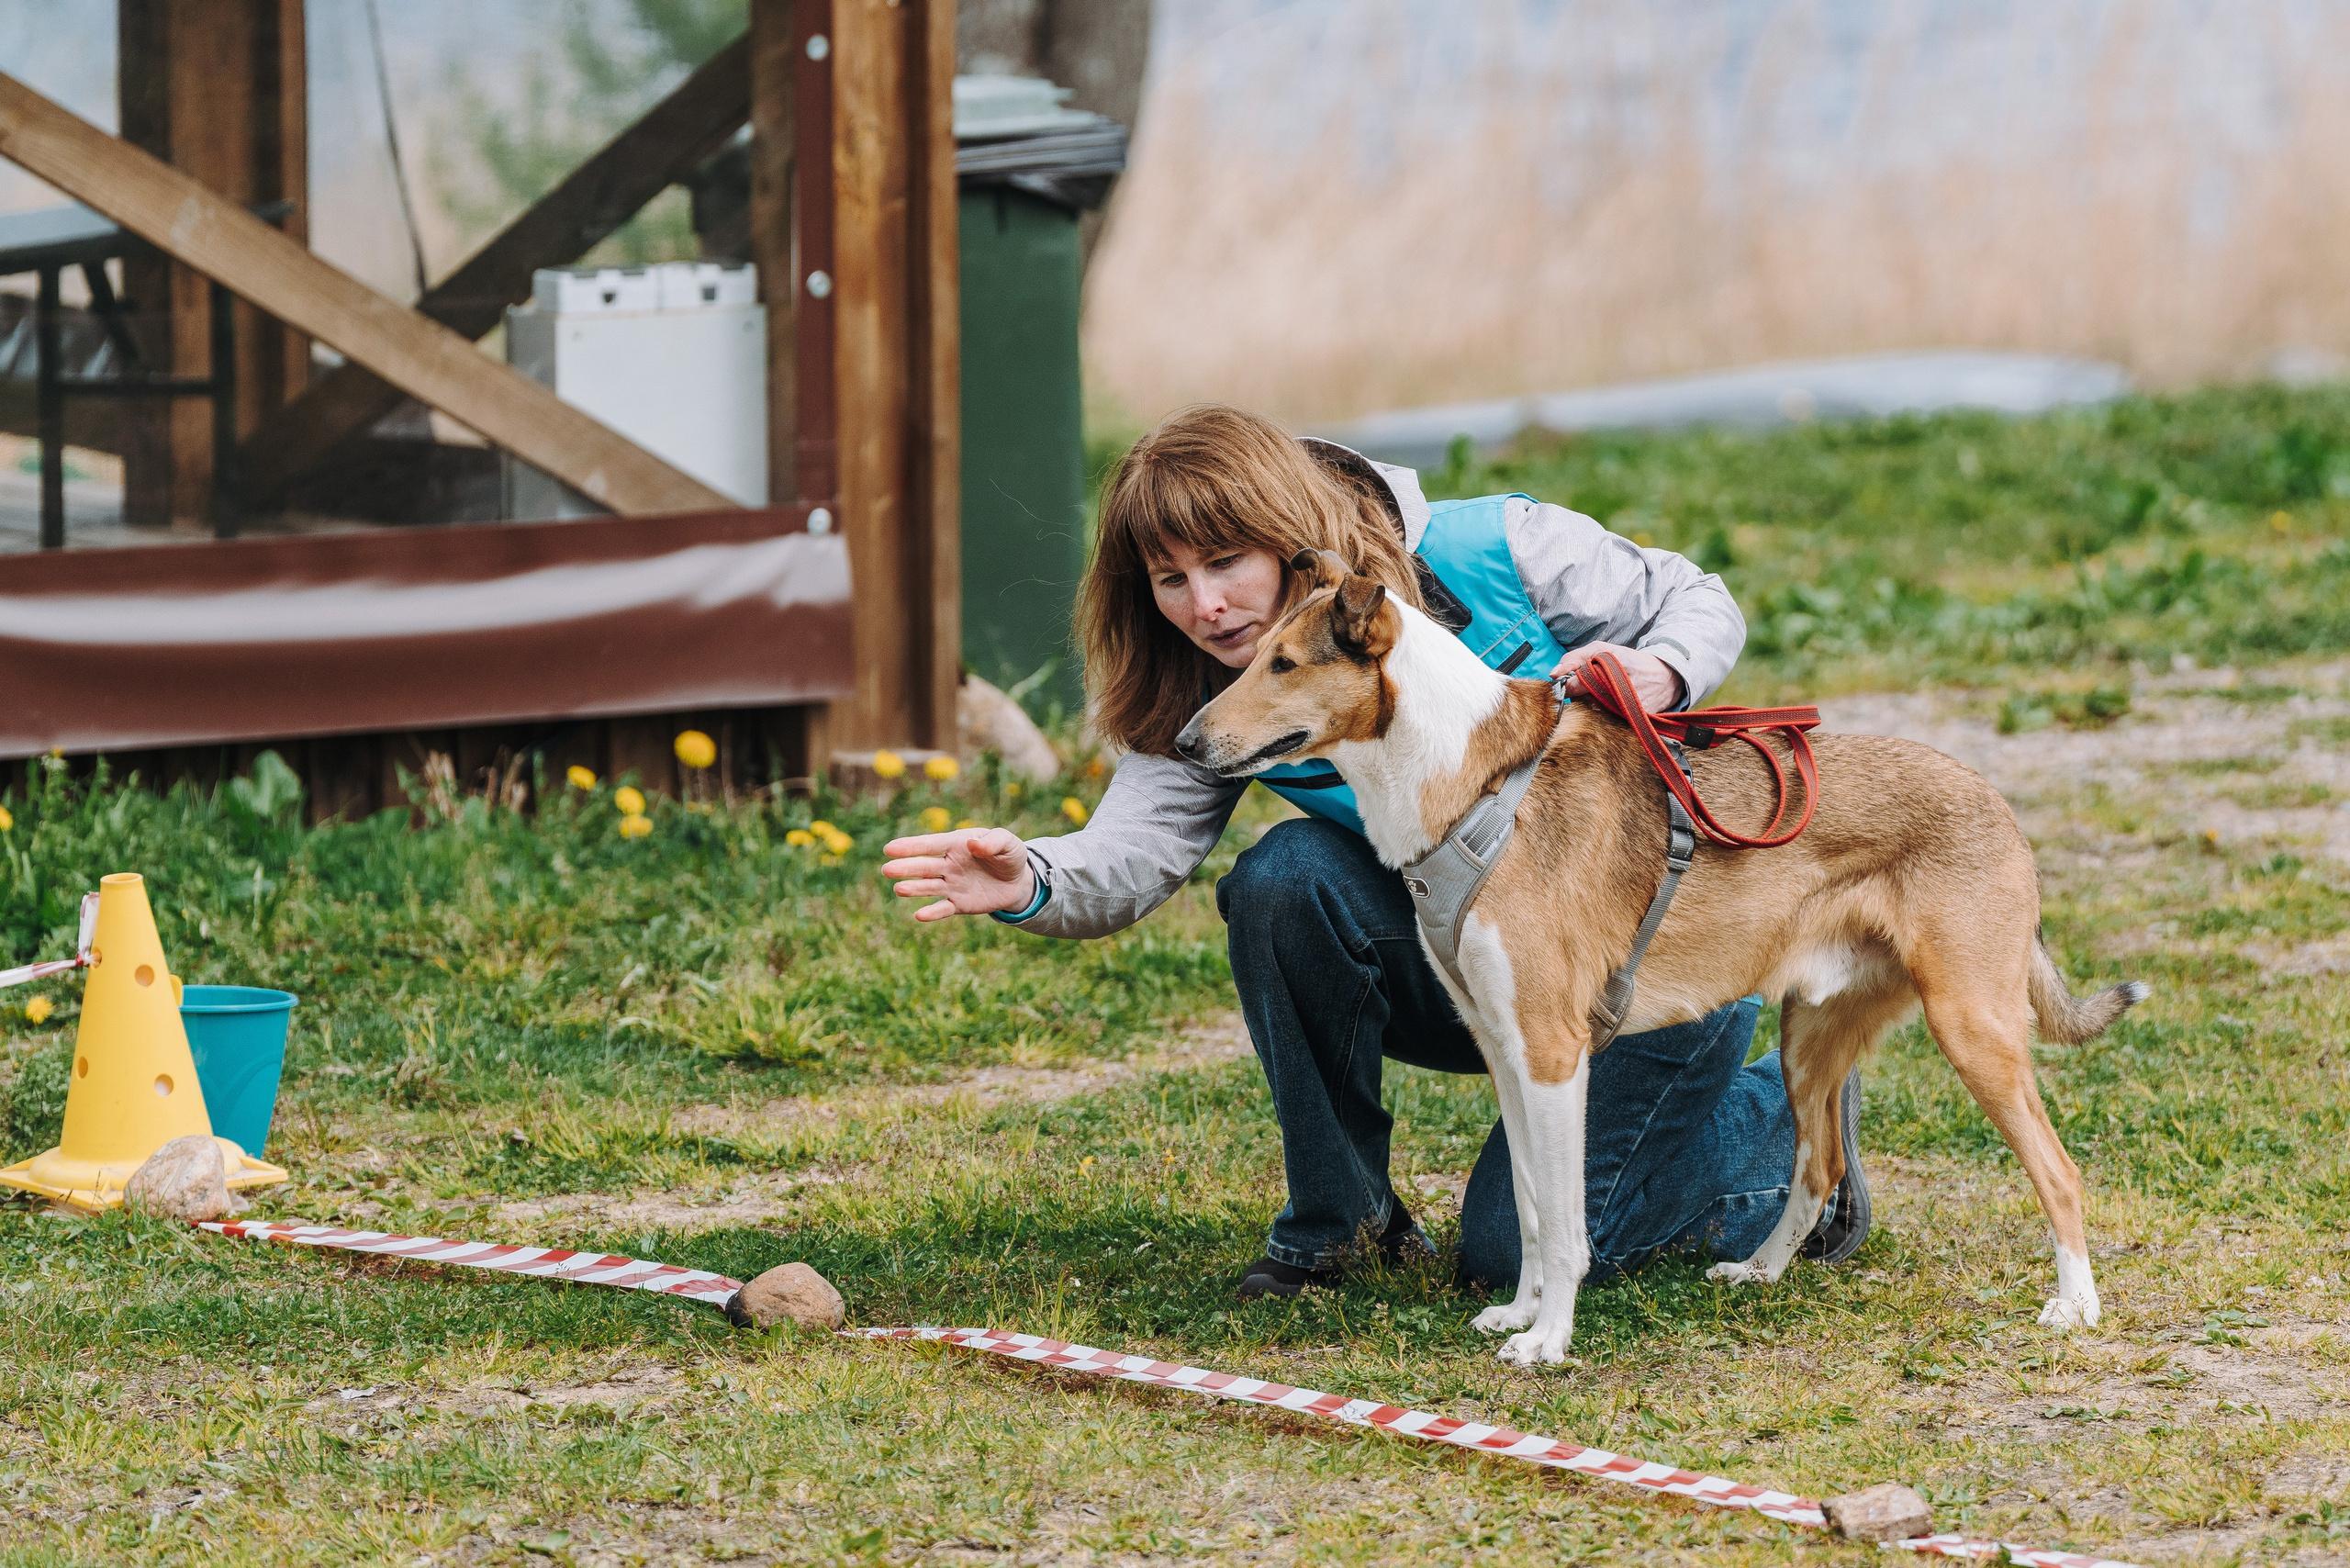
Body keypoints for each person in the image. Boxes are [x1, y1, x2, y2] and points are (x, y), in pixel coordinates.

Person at [881, 404, 1868, 1300]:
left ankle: (1787, 1131)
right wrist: (1030, 878)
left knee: (1501, 1259)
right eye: (1169, 579)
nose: (1204, 605)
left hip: (1648, 961)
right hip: (1466, 957)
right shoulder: (1211, 690)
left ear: (1289, 539)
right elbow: (1129, 857)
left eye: (1225, 563)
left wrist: (1659, 666)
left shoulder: (1493, 546)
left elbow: (1694, 597)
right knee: (1281, 880)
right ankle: (1341, 1225)